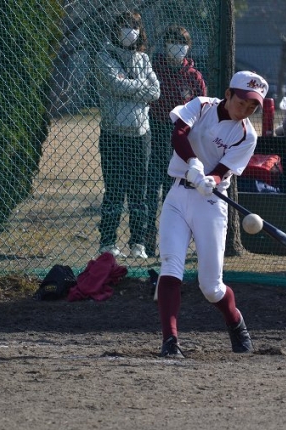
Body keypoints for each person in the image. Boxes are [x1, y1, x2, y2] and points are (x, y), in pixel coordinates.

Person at [155, 70, 269, 358]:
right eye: (242, 102)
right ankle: (170, 341)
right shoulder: (202, 105)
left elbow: (222, 170)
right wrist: (193, 164)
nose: (245, 110)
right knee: (170, 267)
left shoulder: (247, 135)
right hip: (178, 196)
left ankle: (236, 322)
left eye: (252, 106)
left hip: (210, 204)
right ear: (228, 94)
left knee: (211, 287)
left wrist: (211, 180)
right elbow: (179, 133)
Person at [93, 10, 160, 259]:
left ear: (140, 31)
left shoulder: (143, 59)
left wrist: (130, 86)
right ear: (115, 29)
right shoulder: (105, 56)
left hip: (141, 134)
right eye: (124, 26)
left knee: (138, 193)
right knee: (114, 191)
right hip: (114, 133)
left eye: (134, 26)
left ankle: (138, 244)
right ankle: (108, 243)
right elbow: (115, 84)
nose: (129, 31)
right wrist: (139, 87)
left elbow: (156, 91)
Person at [145, 25, 207, 257]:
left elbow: (202, 108)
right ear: (165, 45)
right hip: (156, 132)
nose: (177, 47)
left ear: (188, 47)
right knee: (152, 190)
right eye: (173, 42)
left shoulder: (193, 76)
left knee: (177, 193)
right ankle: (147, 241)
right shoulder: (155, 69)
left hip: (182, 138)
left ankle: (174, 242)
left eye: (182, 43)